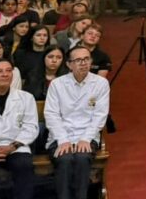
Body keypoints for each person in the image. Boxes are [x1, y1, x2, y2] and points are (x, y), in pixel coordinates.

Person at [45, 46, 110, 199]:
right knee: (64, 159)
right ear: (69, 64)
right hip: (60, 136)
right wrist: (63, 139)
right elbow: (51, 114)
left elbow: (100, 115)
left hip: (87, 136)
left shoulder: (101, 83)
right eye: (78, 60)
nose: (83, 63)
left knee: (82, 158)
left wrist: (85, 138)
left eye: (87, 59)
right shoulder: (57, 84)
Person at [0, 57, 39, 199]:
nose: (5, 74)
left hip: (15, 147)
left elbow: (31, 127)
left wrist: (11, 147)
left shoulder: (26, 97)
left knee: (24, 165)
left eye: (9, 71)